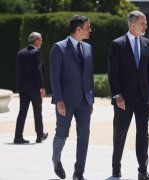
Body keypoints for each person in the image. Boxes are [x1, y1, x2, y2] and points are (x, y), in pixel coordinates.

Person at [108, 10, 149, 180]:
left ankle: (143, 170)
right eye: (143, 23)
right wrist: (117, 95)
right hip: (124, 99)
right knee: (120, 133)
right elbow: (112, 73)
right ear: (132, 24)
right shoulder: (117, 44)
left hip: (143, 98)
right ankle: (116, 167)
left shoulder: (147, 44)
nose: (146, 26)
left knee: (143, 134)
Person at [49, 15, 94, 180]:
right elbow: (54, 77)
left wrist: (91, 99)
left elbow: (89, 76)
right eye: (88, 27)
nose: (90, 30)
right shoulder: (59, 47)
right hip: (65, 102)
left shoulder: (88, 48)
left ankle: (78, 174)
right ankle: (56, 160)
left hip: (84, 101)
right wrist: (59, 100)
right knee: (62, 134)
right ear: (78, 29)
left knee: (84, 137)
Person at [14, 32, 48, 144]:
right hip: (34, 88)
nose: (42, 42)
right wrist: (41, 87)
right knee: (37, 112)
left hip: (23, 88)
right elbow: (38, 71)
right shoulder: (36, 53)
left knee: (22, 112)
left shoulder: (20, 53)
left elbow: (18, 72)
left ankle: (18, 137)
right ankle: (39, 135)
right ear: (37, 40)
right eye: (41, 40)